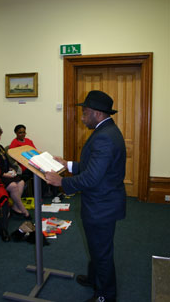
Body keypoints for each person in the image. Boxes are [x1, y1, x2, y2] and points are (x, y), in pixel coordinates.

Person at [45, 90, 126, 302]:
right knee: (96, 246)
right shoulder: (106, 131)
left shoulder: (105, 138)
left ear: (97, 113)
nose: (82, 117)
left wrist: (61, 181)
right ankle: (94, 278)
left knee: (101, 252)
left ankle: (105, 296)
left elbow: (91, 178)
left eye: (85, 112)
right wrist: (67, 164)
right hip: (104, 201)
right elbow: (95, 167)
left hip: (102, 206)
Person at [0, 124, 31, 220]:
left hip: (6, 173)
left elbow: (6, 161)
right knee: (13, 186)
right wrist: (4, 174)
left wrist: (11, 169)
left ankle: (15, 207)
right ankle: (23, 210)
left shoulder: (0, 147)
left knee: (21, 182)